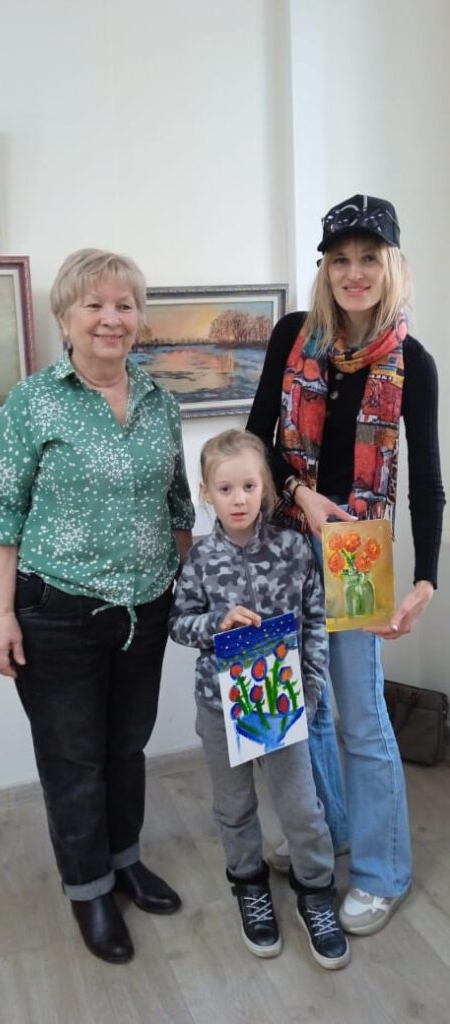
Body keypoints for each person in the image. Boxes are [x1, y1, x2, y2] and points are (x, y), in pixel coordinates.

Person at [0, 248, 195, 964]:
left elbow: (177, 506)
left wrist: (186, 585)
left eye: (124, 305)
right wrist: (1, 617)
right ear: (65, 317)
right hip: (58, 610)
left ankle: (125, 858)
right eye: (94, 304)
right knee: (73, 758)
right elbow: (0, 518)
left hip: (145, 608)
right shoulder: (33, 402)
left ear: (139, 317)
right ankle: (89, 888)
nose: (111, 318)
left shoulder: (161, 402)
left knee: (126, 744)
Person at [247, 194, 446, 936]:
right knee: (289, 707)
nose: (353, 272)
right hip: (278, 538)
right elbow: (256, 439)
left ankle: (381, 872)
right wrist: (301, 493)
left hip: (358, 550)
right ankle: (323, 830)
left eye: (368, 258)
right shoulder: (292, 335)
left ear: (390, 266)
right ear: (324, 268)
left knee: (360, 714)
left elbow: (426, 481)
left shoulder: (411, 362)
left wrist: (425, 579)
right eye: (339, 259)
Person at [169, 429, 350, 970]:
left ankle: (316, 892)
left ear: (267, 487)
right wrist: (216, 623)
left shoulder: (293, 550)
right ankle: (249, 886)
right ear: (207, 493)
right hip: (219, 706)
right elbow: (178, 624)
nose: (239, 499)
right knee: (234, 806)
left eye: (249, 486)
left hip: (281, 702)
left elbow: (315, 623)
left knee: (302, 807)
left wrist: (310, 691)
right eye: (226, 489)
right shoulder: (200, 560)